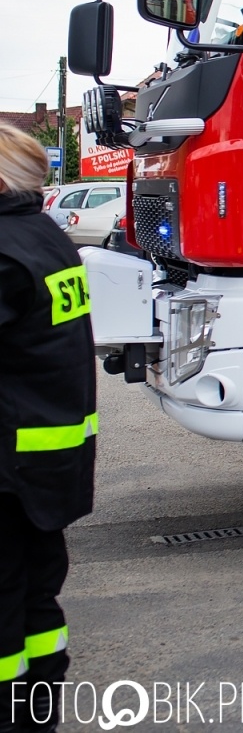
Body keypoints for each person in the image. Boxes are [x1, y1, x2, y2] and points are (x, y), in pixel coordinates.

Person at [0, 125, 96, 731]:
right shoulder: (46, 239)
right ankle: (37, 713)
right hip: (50, 461)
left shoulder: (5, 250)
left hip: (9, 469)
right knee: (38, 597)